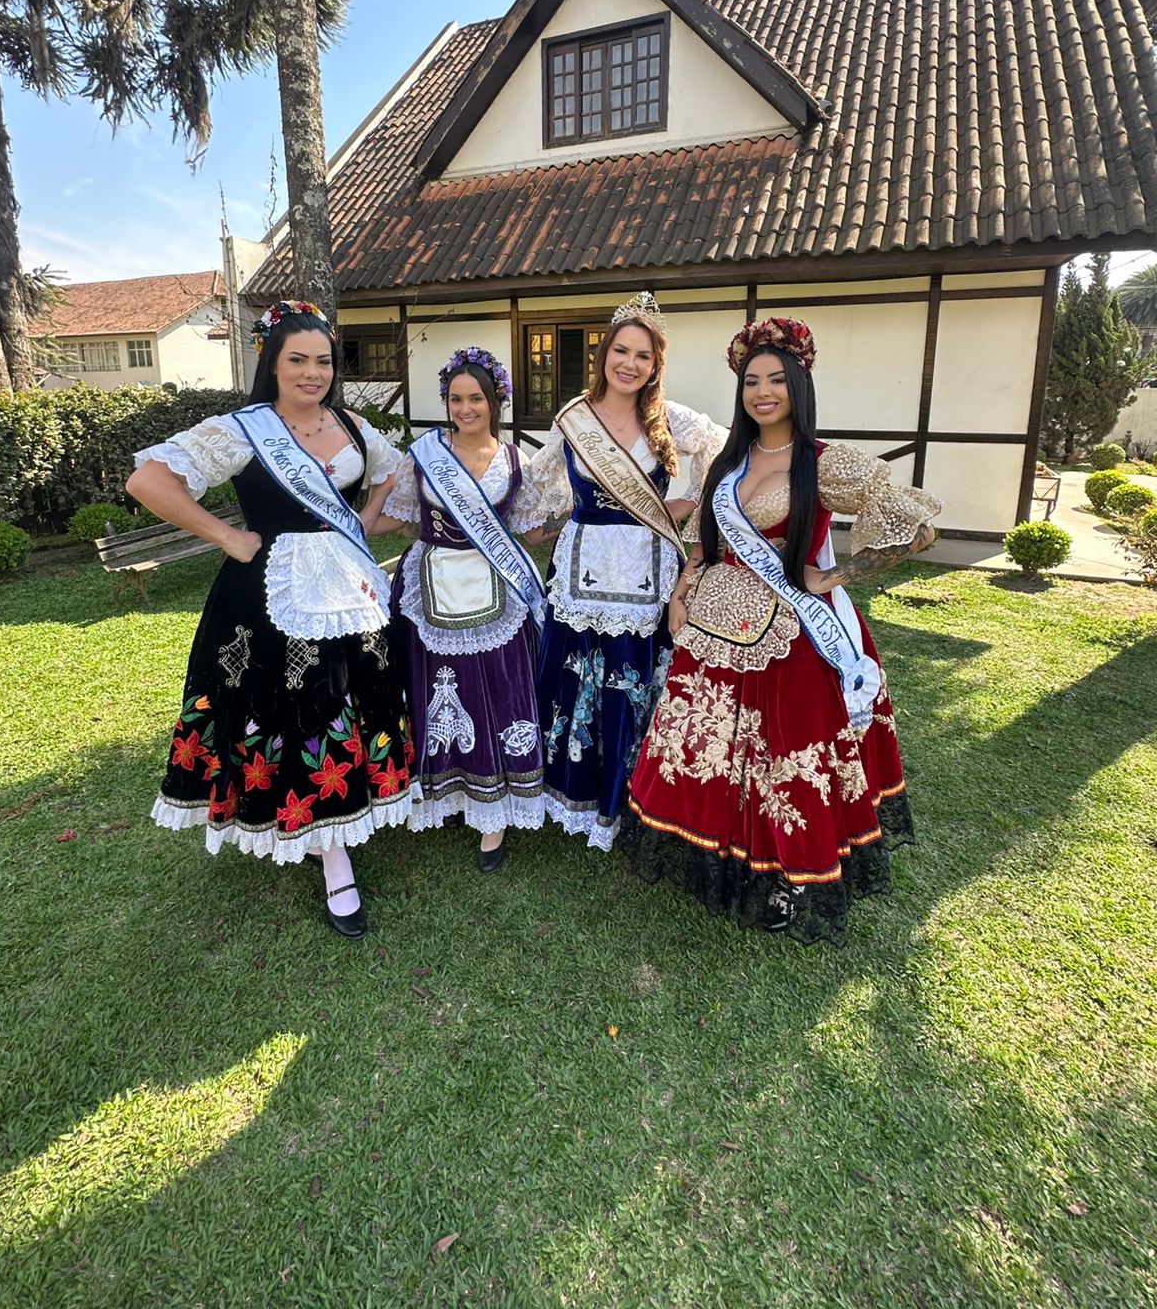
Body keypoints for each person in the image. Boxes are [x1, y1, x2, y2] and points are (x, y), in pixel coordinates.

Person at [621, 316, 941, 947]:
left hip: (792, 635)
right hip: (714, 625)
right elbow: (706, 543)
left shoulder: (822, 462)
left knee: (786, 760)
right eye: (750, 382)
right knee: (711, 749)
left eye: (775, 380)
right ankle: (727, 856)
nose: (761, 392)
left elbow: (916, 524)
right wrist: (680, 597)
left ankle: (795, 879)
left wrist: (839, 572)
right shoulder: (729, 460)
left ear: (798, 384)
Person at [126, 300, 415, 939]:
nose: (313, 373)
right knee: (291, 705)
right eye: (298, 361)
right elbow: (148, 481)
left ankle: (341, 812)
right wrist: (226, 536)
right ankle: (325, 845)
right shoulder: (243, 429)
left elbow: (395, 479)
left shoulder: (352, 425)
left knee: (349, 697)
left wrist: (364, 524)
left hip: (347, 588)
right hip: (266, 592)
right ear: (272, 363)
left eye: (324, 361)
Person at [515, 293, 726, 851]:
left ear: (656, 365)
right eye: (621, 351)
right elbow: (535, 487)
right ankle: (573, 786)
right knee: (576, 674)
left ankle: (634, 793)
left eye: (644, 356)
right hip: (583, 566)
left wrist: (684, 508)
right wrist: (554, 524)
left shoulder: (672, 418)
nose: (630, 364)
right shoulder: (573, 419)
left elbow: (725, 456)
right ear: (604, 352)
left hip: (646, 567)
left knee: (636, 672)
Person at [369, 348, 546, 872]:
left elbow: (530, 530)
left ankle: (495, 811)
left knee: (499, 683)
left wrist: (583, 521)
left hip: (499, 583)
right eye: (455, 399)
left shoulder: (519, 461)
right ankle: (448, 787)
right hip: (431, 581)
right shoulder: (423, 457)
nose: (465, 408)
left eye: (476, 399)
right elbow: (400, 518)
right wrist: (340, 523)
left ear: (495, 402)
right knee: (437, 686)